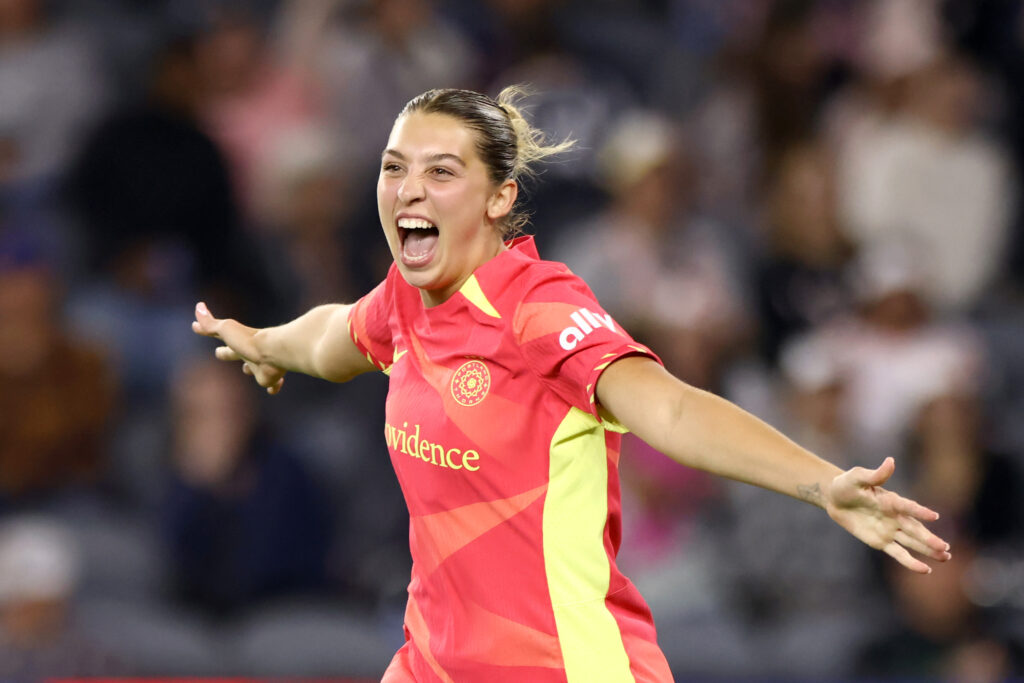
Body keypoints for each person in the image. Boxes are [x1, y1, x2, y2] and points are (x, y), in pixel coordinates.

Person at [192, 86, 951, 682]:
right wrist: (265, 343)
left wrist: (822, 484)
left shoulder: (538, 309)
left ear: (498, 198)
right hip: (435, 662)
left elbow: (674, 407)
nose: (408, 189)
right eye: (395, 166)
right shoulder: (407, 298)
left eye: (441, 171)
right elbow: (334, 336)